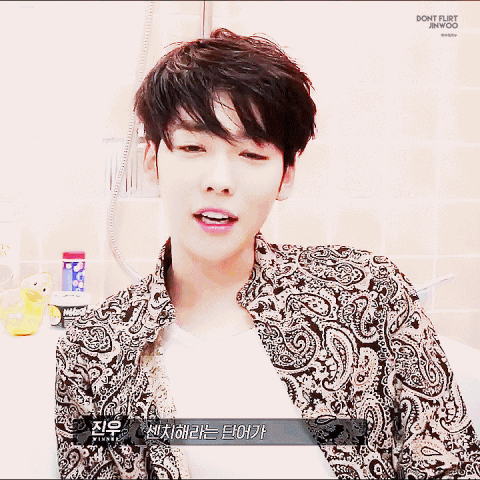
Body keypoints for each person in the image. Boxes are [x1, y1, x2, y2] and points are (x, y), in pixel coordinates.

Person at [55, 28, 480, 479]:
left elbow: (447, 462)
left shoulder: (368, 293)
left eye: (252, 155)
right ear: (152, 162)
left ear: (286, 175)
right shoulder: (93, 348)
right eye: (194, 148)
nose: (219, 181)